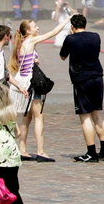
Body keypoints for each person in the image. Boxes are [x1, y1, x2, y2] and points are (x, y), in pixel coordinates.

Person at [8, 19, 67, 162]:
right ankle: (41, 151)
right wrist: (67, 20)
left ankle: (22, 149)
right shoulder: (31, 41)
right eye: (35, 26)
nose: (38, 28)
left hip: (24, 82)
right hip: (32, 83)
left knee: (26, 118)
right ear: (28, 31)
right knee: (39, 117)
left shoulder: (21, 44)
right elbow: (53, 33)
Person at [60, 14, 104, 163]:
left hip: (82, 80)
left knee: (85, 116)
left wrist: (70, 37)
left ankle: (91, 153)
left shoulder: (70, 39)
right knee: (97, 114)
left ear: (72, 27)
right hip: (97, 77)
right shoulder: (96, 36)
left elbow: (63, 56)